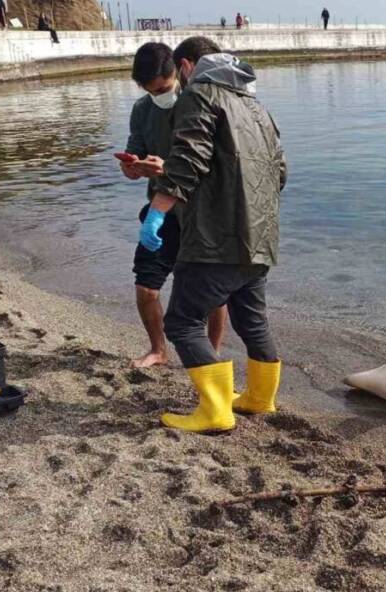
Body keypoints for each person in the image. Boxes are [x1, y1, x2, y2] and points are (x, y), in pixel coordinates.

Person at [142, 36, 287, 433]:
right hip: (260, 239)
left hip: (213, 240)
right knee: (252, 320)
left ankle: (216, 410)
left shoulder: (200, 95)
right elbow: (281, 172)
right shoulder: (255, 105)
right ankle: (260, 399)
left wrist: (156, 214)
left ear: (186, 66)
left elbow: (188, 159)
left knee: (184, 321)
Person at [120, 42, 227, 369]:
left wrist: (166, 167)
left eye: (164, 88)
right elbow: (135, 158)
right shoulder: (142, 110)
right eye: (152, 91)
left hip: (199, 212)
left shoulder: (197, 105)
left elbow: (214, 165)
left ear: (179, 71)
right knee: (146, 285)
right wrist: (132, 168)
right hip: (159, 210)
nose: (160, 95)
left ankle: (212, 353)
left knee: (212, 293)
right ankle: (158, 350)